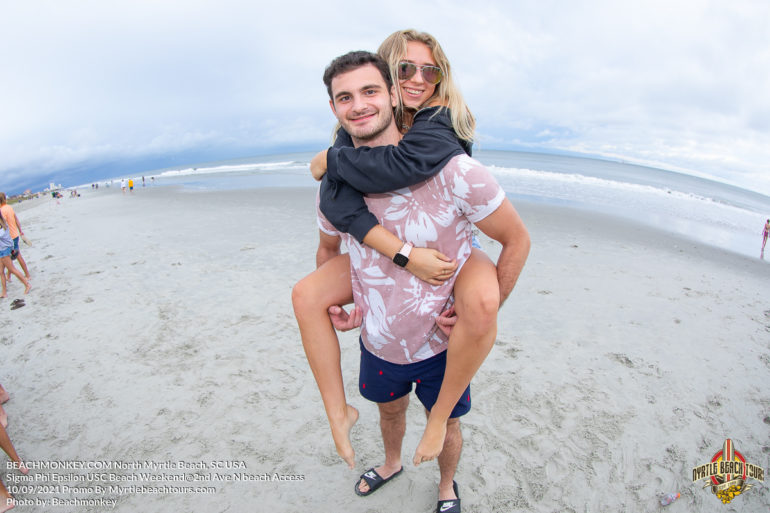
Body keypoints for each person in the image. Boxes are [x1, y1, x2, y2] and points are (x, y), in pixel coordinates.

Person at [308, 50, 529, 511]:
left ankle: (446, 486)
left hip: (442, 346)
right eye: (344, 97)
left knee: (445, 424)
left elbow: (516, 240)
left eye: (370, 91)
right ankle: (391, 463)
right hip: (380, 341)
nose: (359, 105)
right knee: (389, 412)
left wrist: (481, 313)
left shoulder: (455, 171)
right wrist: (334, 302)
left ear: (393, 95)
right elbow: (328, 249)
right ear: (334, 109)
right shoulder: (336, 182)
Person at [0, 193, 31, 283]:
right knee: (10, 257)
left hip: (9, 237)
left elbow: (3, 224)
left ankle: (27, 275)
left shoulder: (2, 210)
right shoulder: (9, 207)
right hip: (15, 234)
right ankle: (8, 276)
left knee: (15, 256)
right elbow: (16, 219)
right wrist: (20, 230)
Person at [0, 212, 30, 298]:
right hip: (2, 249)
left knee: (12, 269)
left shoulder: (1, 224)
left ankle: (27, 284)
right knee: (1, 272)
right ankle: (4, 292)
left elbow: (1, 235)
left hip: (4, 250)